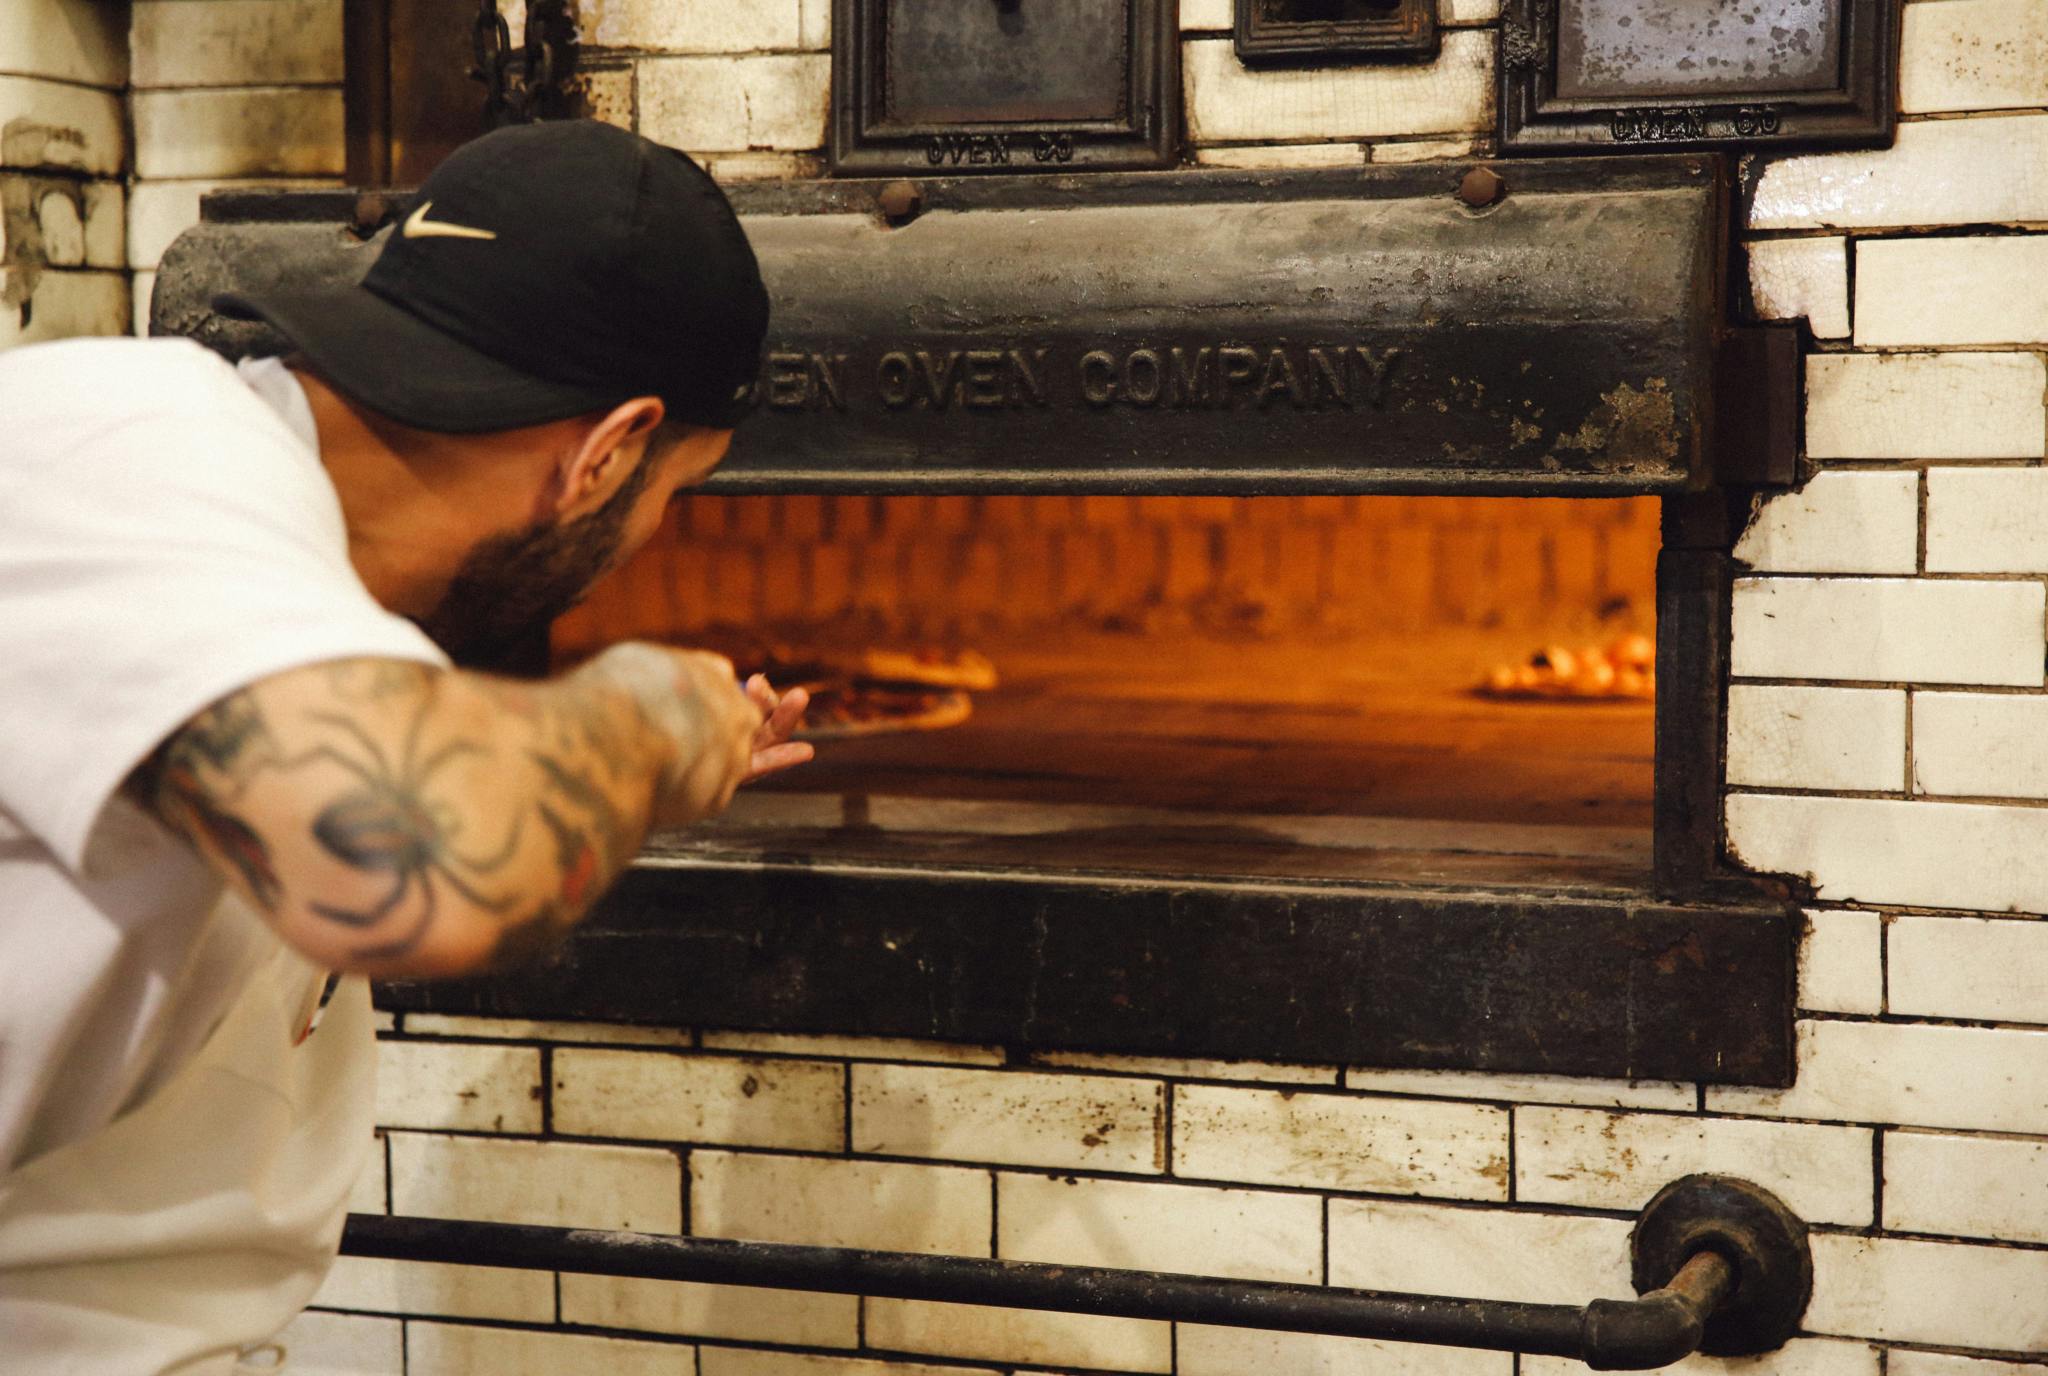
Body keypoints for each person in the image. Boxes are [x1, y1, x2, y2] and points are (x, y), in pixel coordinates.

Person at [0, 119, 808, 1373]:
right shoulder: (137, 452)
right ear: (607, 453)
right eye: (676, 491)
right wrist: (648, 714)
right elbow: (413, 860)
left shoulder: (300, 584)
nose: (656, 528)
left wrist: (580, 768)